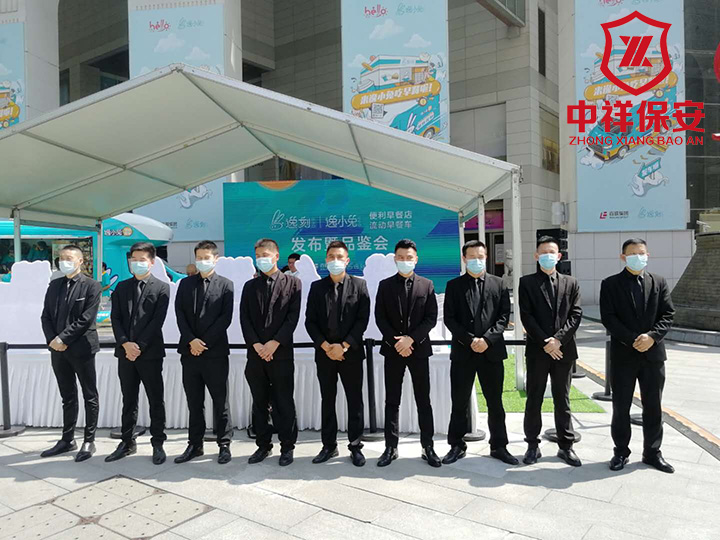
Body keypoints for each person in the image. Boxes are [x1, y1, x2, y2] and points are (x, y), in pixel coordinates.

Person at [600, 238, 675, 474]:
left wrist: (652, 337)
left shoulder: (659, 282)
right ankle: (621, 452)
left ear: (647, 255)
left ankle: (652, 453)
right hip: (624, 355)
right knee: (621, 406)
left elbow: (668, 314)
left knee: (653, 406)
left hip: (653, 355)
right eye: (632, 254)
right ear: (623, 257)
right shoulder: (610, 284)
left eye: (641, 253)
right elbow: (608, 318)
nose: (638, 257)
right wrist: (633, 339)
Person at [442, 240, 518, 466]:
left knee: (495, 403)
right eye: (472, 257)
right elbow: (450, 319)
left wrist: (486, 340)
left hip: (491, 352)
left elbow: (503, 317)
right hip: (463, 353)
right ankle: (456, 445)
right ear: (464, 259)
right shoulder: (454, 286)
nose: (477, 261)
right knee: (459, 402)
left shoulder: (498, 283)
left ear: (486, 257)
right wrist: (470, 340)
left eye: (480, 257)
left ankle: (499, 446)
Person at [375, 239, 440, 468]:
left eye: (409, 257)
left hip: (418, 349)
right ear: (395, 259)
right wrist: (398, 342)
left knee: (423, 399)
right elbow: (380, 318)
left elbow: (431, 318)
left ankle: (428, 446)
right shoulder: (385, 286)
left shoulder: (427, 285)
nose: (405, 261)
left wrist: (411, 339)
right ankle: (390, 447)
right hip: (393, 350)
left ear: (416, 259)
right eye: (401, 257)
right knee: (392, 400)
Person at [519, 236, 583, 467]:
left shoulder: (571, 282)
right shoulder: (526, 282)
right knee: (534, 398)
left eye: (552, 252)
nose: (548, 255)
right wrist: (546, 342)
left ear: (559, 256)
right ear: (536, 256)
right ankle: (532, 445)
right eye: (543, 252)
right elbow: (526, 315)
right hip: (538, 350)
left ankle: (566, 446)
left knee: (562, 399)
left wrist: (558, 340)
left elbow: (576, 314)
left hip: (563, 351)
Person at [305, 240, 370, 466]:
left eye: (339, 257)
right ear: (326, 260)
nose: (335, 261)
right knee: (328, 400)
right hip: (325, 354)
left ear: (347, 260)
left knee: (354, 400)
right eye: (331, 257)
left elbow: (362, 320)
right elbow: (310, 322)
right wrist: (326, 347)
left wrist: (343, 346)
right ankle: (329, 446)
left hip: (350, 353)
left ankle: (355, 446)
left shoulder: (359, 285)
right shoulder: (317, 287)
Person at [107, 242, 170, 465]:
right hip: (126, 354)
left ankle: (158, 443)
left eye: (142, 260)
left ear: (151, 262)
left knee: (155, 399)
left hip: (150, 353)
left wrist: (139, 346)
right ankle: (127, 442)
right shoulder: (122, 287)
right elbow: (115, 318)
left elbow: (156, 321)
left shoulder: (162, 288)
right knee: (129, 399)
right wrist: (125, 343)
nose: (137, 263)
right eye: (133, 260)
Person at [241, 238, 301, 466]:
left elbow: (292, 318)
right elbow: (245, 319)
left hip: (281, 353)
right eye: (258, 256)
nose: (261, 259)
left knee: (283, 401)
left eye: (265, 255)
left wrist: (274, 343)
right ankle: (263, 445)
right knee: (259, 402)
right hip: (256, 354)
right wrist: (257, 345)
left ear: (276, 256)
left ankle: (287, 446)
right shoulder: (250, 286)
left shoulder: (293, 284)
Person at [39, 245, 101, 462]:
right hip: (57, 350)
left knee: (89, 395)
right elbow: (46, 316)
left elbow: (86, 319)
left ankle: (89, 440)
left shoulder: (92, 286)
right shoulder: (54, 285)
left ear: (80, 261)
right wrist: (53, 340)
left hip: (82, 349)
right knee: (67, 395)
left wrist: (63, 339)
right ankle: (67, 439)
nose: (64, 261)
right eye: (61, 258)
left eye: (69, 258)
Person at [174, 240, 234, 464]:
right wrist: (191, 340)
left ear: (215, 259)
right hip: (190, 352)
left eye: (206, 258)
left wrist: (203, 342)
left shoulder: (226, 285)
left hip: (215, 353)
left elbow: (225, 319)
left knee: (220, 401)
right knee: (194, 402)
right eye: (199, 257)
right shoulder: (185, 284)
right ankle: (195, 444)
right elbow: (180, 315)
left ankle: (224, 444)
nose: (202, 261)